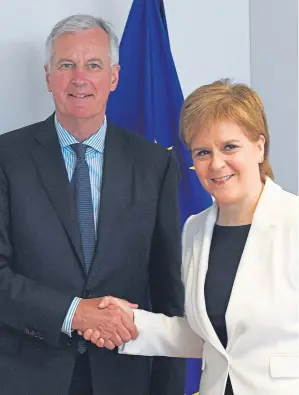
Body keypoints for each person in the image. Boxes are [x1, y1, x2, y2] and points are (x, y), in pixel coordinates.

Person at [0, 14, 185, 395]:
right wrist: (73, 313)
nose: (80, 78)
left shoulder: (154, 165)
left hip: (127, 375)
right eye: (67, 65)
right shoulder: (7, 158)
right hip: (26, 376)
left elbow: (168, 292)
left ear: (114, 77)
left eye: (94, 65)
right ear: (48, 76)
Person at [83, 79, 299, 395]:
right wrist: (130, 322)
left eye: (229, 146)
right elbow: (207, 337)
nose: (216, 163)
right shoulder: (196, 229)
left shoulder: (293, 221)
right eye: (202, 152)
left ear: (259, 146)